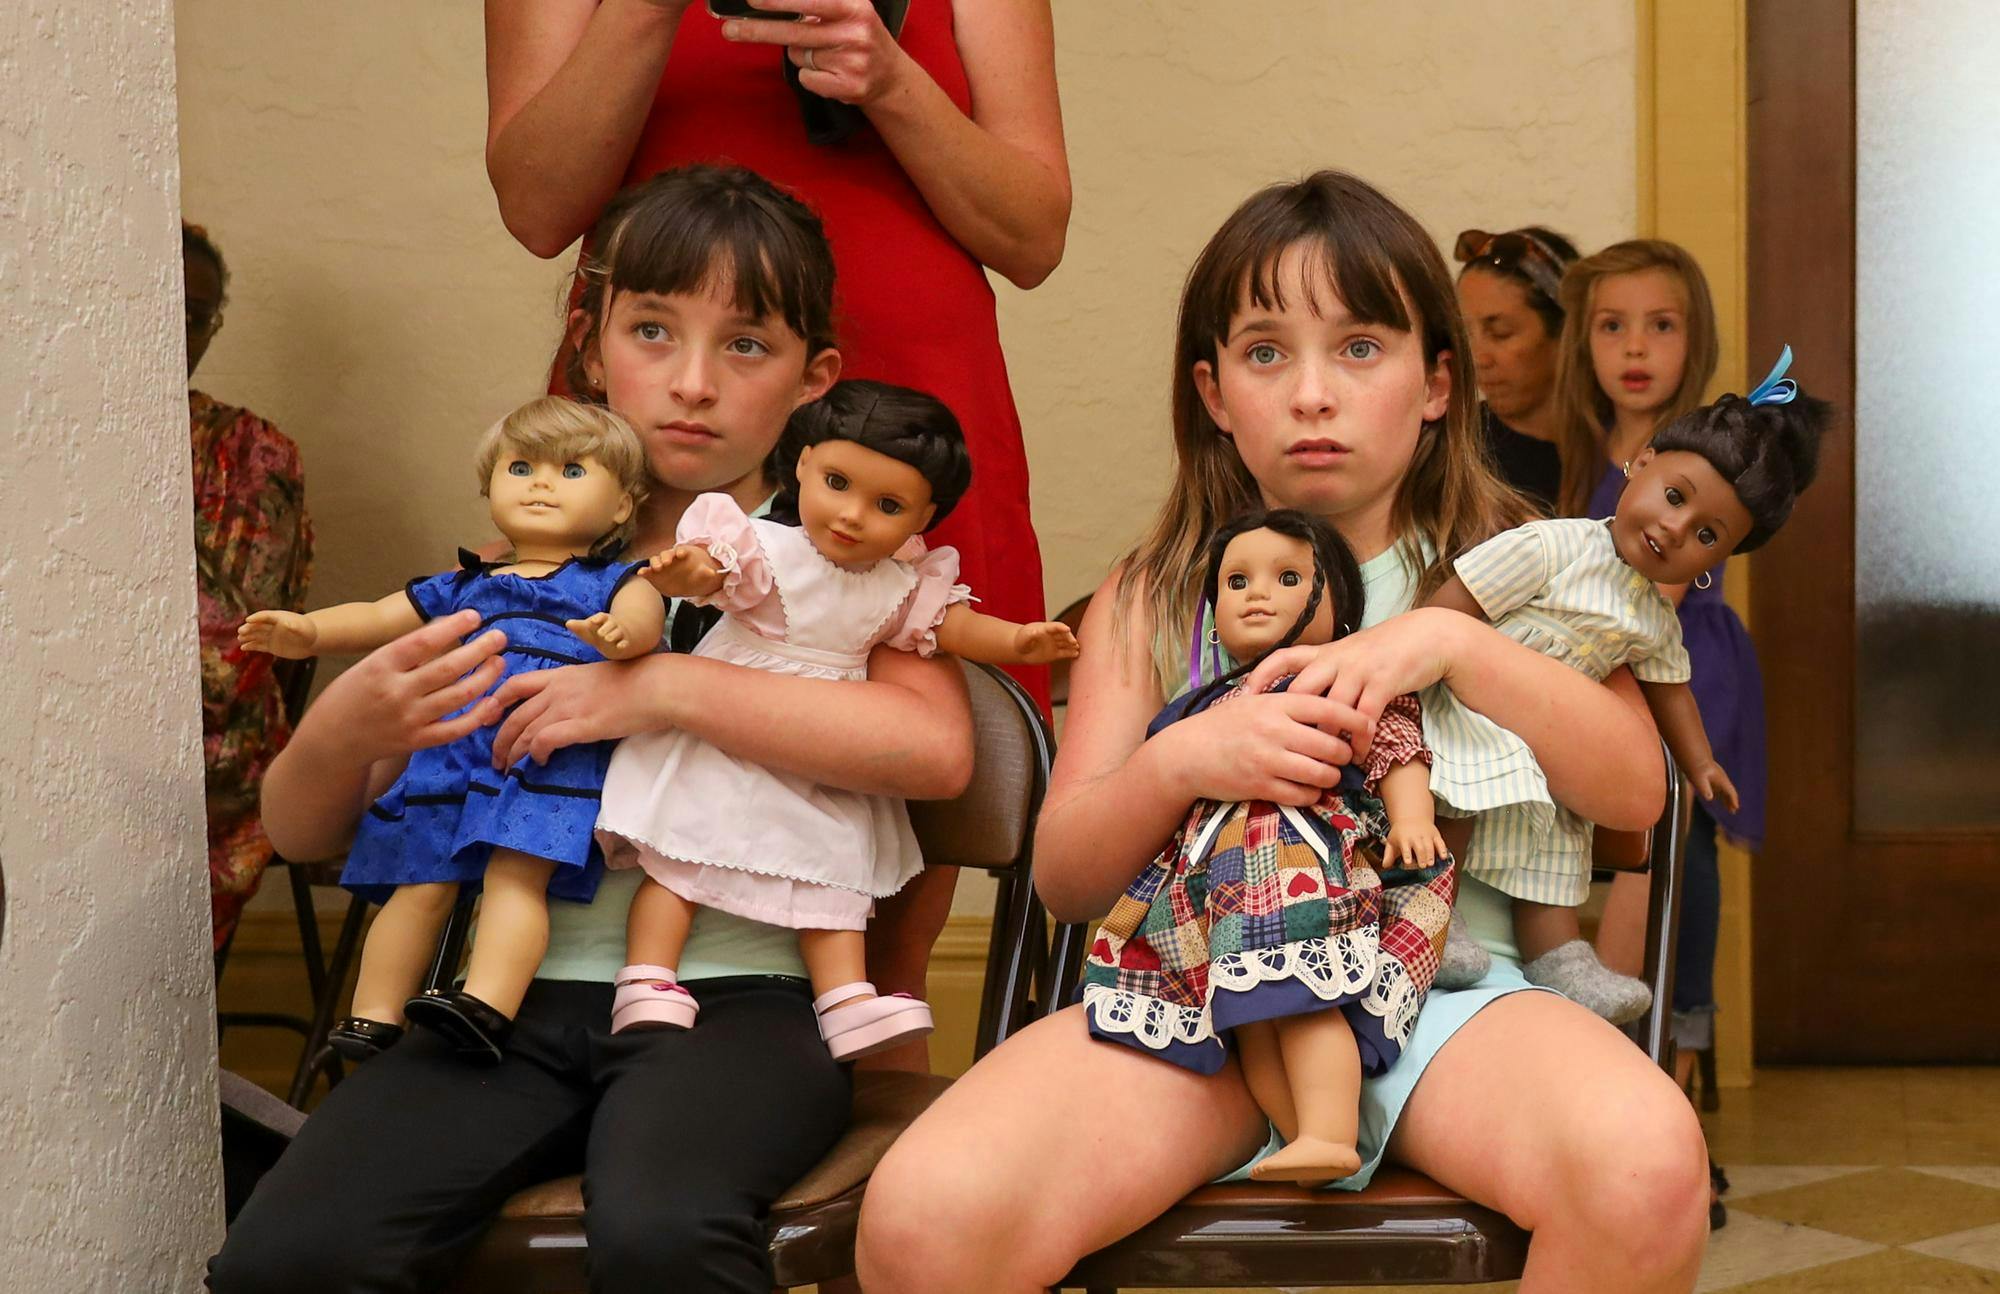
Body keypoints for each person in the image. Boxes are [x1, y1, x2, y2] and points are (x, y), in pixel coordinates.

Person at [856, 172, 1710, 1294]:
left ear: (1436, 382)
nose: (1312, 394)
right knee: (927, 1215)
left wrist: (1452, 648)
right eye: (1266, 354)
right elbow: (1066, 880)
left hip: (1450, 1004)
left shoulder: (1536, 563)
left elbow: (1633, 796)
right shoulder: (1154, 594)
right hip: (1195, 1003)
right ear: (1213, 393)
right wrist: (1179, 761)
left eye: (1358, 349)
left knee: (1644, 1166)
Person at [207, 164, 974, 1294]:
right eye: (653, 332)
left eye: (745, 347)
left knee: (664, 1231)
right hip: (502, 1008)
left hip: (740, 1001)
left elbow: (936, 752)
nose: (692, 384)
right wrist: (348, 722)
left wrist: (657, 690)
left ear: (815, 380)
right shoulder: (518, 562)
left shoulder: (839, 567)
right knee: (290, 1258)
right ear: (591, 341)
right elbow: (305, 823)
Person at [484, 1, 1071, 1060]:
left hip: (897, 411)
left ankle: (864, 1135)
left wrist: (887, 78)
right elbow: (535, 206)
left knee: (895, 831)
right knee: (596, 742)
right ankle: (611, 1074)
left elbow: (1032, 234)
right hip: (673, 386)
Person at [602, 379, 1076, 1054]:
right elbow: (716, 572)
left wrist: (1021, 641)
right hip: (732, 730)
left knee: (835, 874)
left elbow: (956, 627)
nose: (853, 515)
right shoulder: (767, 547)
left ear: (923, 517)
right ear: (802, 464)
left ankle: (845, 997)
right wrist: (689, 572)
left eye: (887, 504)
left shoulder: (902, 585)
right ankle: (647, 976)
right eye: (837, 481)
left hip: (824, 749)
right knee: (684, 857)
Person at [239, 398, 664, 1064]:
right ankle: (371, 1015)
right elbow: (383, 615)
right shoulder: (466, 581)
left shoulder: (612, 582)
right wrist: (310, 630)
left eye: (572, 470)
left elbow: (644, 626)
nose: (541, 483)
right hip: (450, 750)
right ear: (490, 485)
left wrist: (619, 637)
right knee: (420, 883)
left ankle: (487, 1000)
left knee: (516, 879)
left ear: (622, 506)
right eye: (521, 466)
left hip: (542, 750)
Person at [1078, 507, 1452, 1185]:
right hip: (1218, 889)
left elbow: (1397, 746)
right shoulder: (1200, 705)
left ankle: (1333, 1128)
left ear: (1338, 602)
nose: (1256, 593)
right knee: (1247, 1018)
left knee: (1302, 997)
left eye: (1287, 577)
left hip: (1297, 865)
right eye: (1236, 580)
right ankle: (1301, 1141)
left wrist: (1411, 815)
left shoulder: (1337, 677)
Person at [1554, 238, 1755, 1226]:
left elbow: (1656, 587)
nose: (1633, 346)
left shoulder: (1703, 453)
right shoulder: (1569, 457)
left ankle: (1657, 1089)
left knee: (1666, 836)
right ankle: (1600, 1082)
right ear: (1581, 340)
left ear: (1695, 336)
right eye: (1610, 325)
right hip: (1596, 677)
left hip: (1675, 669)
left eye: (1660, 324)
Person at [185, 220, 315, 956]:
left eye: (196, 315)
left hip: (214, 745)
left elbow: (240, 646)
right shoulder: (45, 439)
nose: (178, 330)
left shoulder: (254, 452)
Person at [1453, 226, 1581, 514]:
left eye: (1500, 333)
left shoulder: (1617, 452)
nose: (1477, 358)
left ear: (1566, 331)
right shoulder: (1455, 452)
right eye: (1465, 334)